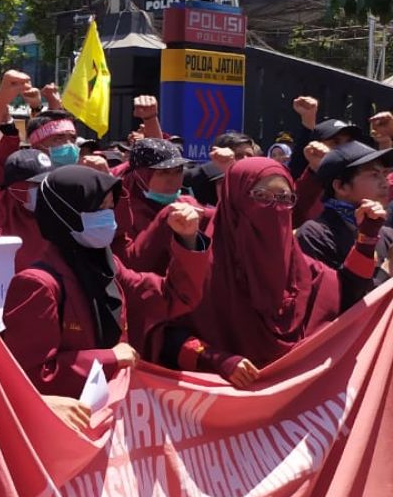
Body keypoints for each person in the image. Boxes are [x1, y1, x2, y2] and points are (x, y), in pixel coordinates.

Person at [153, 157, 384, 389]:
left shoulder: (303, 270)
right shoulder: (198, 267)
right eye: (261, 196)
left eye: (284, 198)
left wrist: (367, 238)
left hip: (293, 410)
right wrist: (216, 359)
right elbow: (161, 335)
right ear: (235, 200)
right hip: (220, 409)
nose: (275, 207)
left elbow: (351, 302)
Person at [1, 166, 208, 399]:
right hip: (70, 420)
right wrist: (109, 359)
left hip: (113, 410)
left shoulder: (109, 267)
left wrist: (187, 239)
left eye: (110, 207)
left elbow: (170, 298)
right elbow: (30, 374)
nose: (108, 216)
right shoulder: (37, 284)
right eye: (99, 208)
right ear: (65, 212)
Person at [296, 141, 393, 282]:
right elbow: (331, 299)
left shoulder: (387, 235)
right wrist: (386, 269)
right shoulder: (315, 235)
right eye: (374, 175)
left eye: (385, 174)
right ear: (341, 186)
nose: (385, 183)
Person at [113, 138, 212, 275]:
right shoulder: (120, 209)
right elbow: (130, 264)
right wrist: (164, 220)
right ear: (142, 176)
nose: (172, 180)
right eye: (162, 173)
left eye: (177, 171)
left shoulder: (186, 202)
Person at [0, 148, 53, 270]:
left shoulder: (60, 218)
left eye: (49, 182)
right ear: (15, 187)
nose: (45, 189)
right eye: (37, 184)